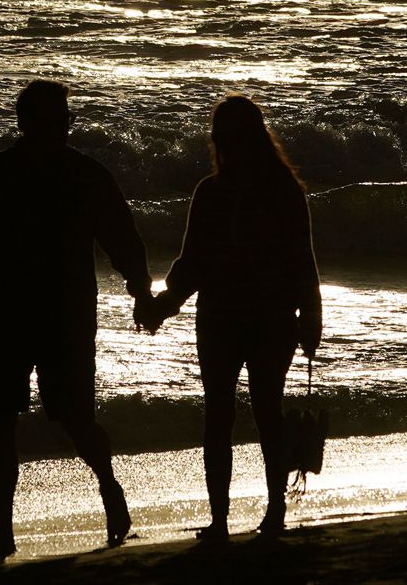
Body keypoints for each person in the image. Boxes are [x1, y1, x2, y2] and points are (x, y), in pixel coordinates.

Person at [0, 79, 154, 559]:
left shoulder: (87, 174)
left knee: (75, 417)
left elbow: (124, 240)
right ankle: (4, 533)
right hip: (4, 315)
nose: (64, 126)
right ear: (26, 123)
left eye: (66, 119)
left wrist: (142, 292)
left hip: (67, 316)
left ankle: (109, 485)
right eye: (54, 119)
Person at [137, 94, 322, 540]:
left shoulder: (218, 192)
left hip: (232, 317)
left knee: (222, 416)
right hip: (264, 317)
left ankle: (226, 519)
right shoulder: (279, 191)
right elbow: (302, 263)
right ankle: (268, 510)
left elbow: (193, 263)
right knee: (265, 413)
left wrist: (164, 304)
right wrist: (310, 316)